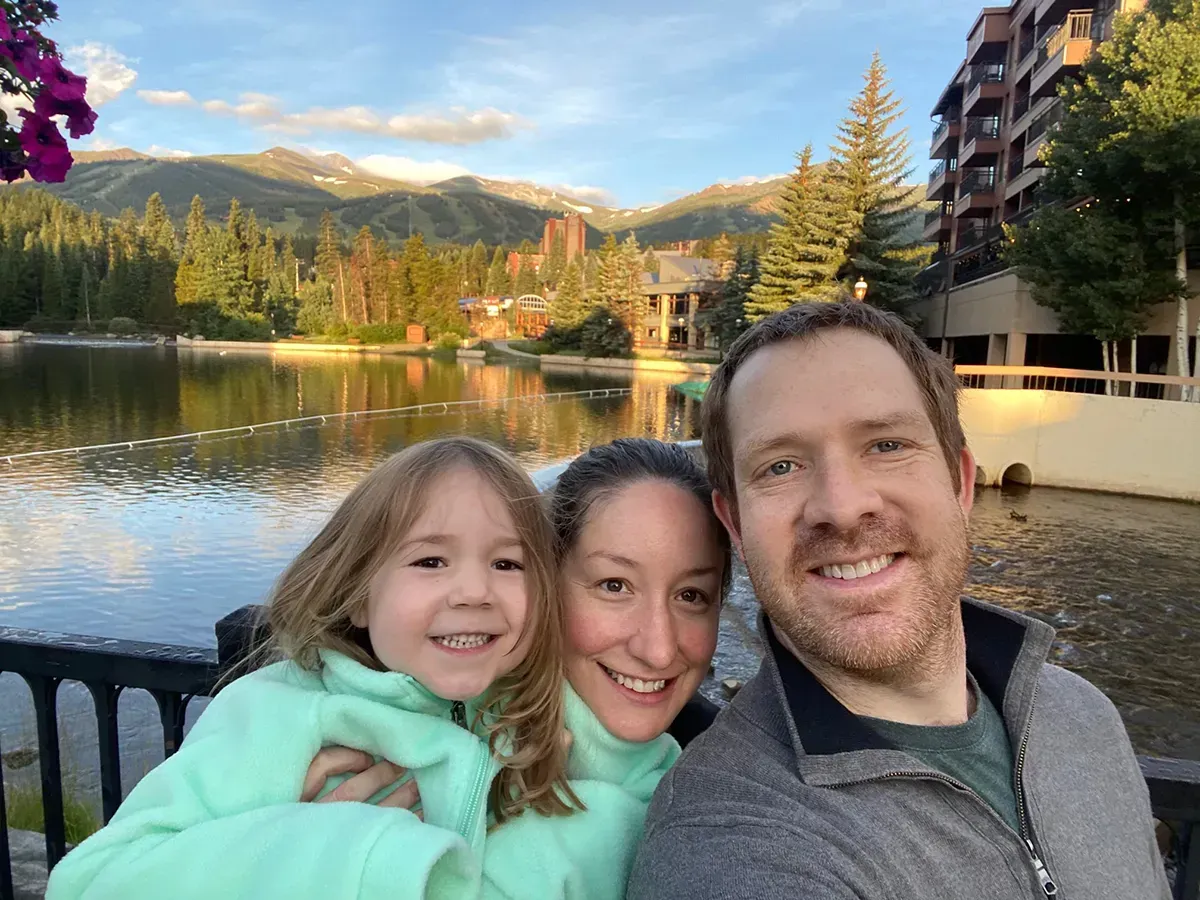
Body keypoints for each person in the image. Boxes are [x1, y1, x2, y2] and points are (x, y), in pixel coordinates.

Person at [628, 302, 1170, 899]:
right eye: (781, 465)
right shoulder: (727, 841)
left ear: (961, 483)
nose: (841, 505)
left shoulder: (1082, 716)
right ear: (733, 523)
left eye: (886, 445)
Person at [47, 437, 572, 900]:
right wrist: (320, 846)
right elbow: (92, 881)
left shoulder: (531, 713)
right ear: (358, 596)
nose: (476, 592)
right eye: (430, 561)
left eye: (508, 563)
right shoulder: (272, 717)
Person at [299, 438, 730, 897]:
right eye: (614, 585)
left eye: (691, 596)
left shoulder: (722, 794)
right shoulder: (374, 730)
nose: (659, 650)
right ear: (542, 583)